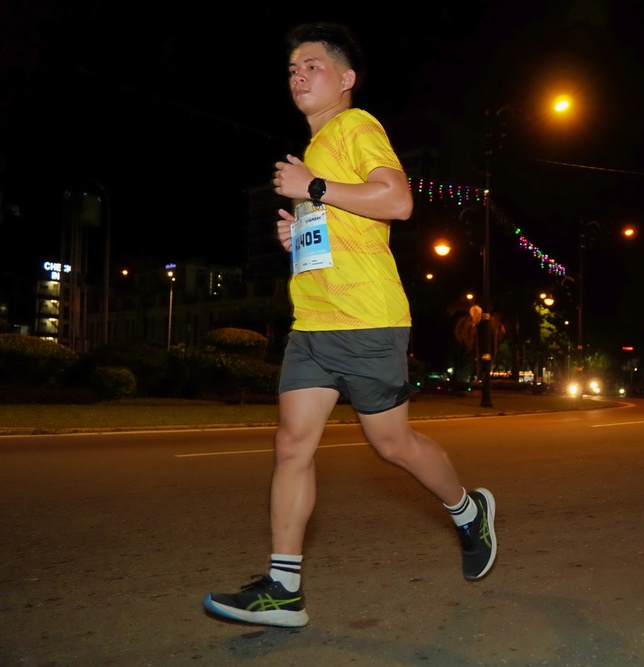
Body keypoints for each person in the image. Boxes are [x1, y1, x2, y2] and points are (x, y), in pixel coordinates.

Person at [203, 23, 496, 628]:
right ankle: (284, 589)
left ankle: (469, 512)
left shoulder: (357, 126)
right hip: (313, 322)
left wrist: (312, 187)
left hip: (366, 321)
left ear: (346, 79)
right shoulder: (313, 150)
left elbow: (398, 201)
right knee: (291, 445)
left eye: (312, 66)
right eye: (292, 70)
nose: (298, 76)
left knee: (392, 445)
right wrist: (299, 234)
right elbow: (342, 224)